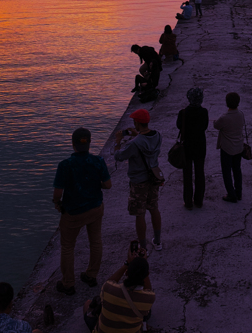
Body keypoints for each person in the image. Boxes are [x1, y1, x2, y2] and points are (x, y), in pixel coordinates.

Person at [53, 127, 112, 296]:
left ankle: (68, 283)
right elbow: (108, 185)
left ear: (73, 145)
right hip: (95, 208)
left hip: (73, 213)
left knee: (67, 247)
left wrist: (57, 204)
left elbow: (57, 194)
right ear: (90, 143)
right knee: (95, 241)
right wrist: (95, 185)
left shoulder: (65, 165)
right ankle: (91, 275)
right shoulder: (98, 161)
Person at [84, 245, 156, 333]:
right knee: (146, 311)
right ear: (147, 275)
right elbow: (148, 290)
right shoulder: (148, 298)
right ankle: (142, 325)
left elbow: (110, 281)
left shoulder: (109, 288)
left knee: (88, 303)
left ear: (126, 272)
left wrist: (127, 263)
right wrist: (143, 264)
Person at [114, 109, 164, 250]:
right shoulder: (158, 136)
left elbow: (119, 156)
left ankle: (143, 247)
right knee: (154, 209)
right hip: (153, 178)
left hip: (138, 182)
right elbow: (147, 144)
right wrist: (137, 135)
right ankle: (158, 242)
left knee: (139, 214)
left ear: (136, 122)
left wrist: (118, 142)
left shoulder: (134, 144)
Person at [176, 87, 209, 209]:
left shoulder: (183, 112)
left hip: (187, 146)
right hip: (200, 145)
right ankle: (199, 200)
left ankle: (188, 202)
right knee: (200, 173)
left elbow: (179, 125)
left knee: (187, 175)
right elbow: (205, 126)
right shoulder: (204, 112)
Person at [213, 92, 245, 202]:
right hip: (239, 147)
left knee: (226, 172)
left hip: (227, 148)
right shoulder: (240, 114)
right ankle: (238, 192)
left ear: (227, 103)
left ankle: (231, 194)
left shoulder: (224, 117)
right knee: (237, 170)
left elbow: (216, 125)